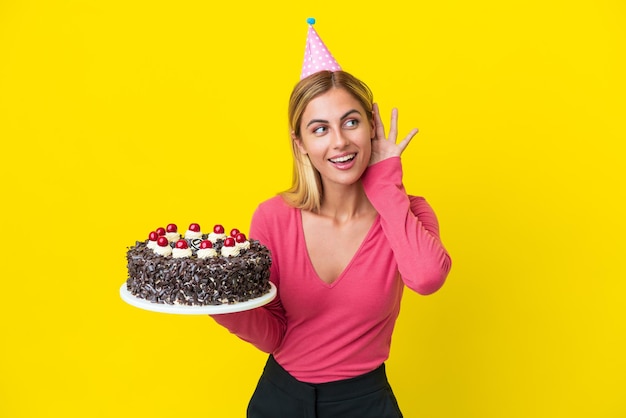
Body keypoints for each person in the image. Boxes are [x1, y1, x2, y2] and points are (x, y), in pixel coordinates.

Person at [210, 68, 452, 417]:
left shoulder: (408, 212)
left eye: (351, 122)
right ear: (301, 145)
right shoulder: (272, 217)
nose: (339, 141)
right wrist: (221, 303)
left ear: (372, 127)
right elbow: (274, 335)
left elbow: (427, 278)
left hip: (366, 402)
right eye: (320, 129)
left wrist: (387, 184)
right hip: (280, 399)